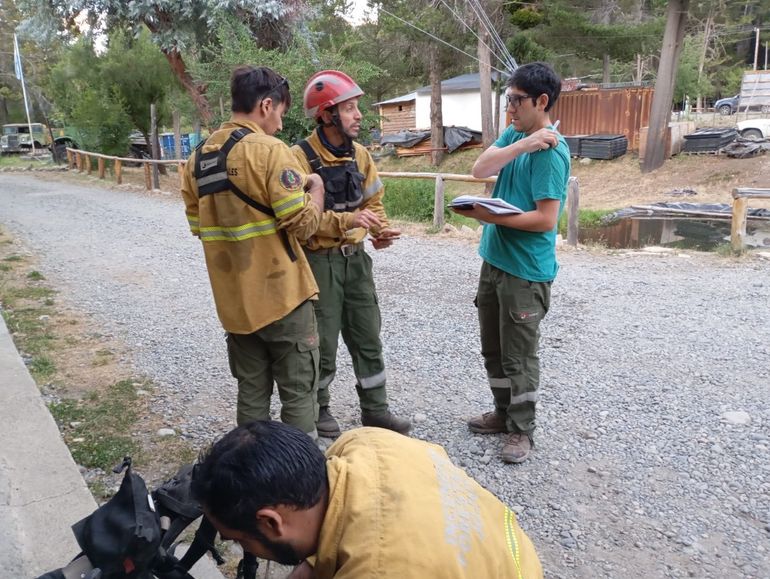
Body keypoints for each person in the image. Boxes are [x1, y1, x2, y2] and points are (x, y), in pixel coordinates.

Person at [192, 420, 543, 578]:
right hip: (504, 555)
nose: (243, 550)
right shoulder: (365, 442)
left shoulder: (380, 570)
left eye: (238, 540)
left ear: (270, 521)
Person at [181, 65, 326, 438]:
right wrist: (316, 189)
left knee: (251, 395)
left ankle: (252, 477)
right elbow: (305, 226)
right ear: (265, 105)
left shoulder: (195, 161)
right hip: (283, 300)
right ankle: (301, 478)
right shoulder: (269, 151)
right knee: (298, 394)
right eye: (279, 112)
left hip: (236, 307)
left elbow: (200, 229)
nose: (279, 124)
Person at [452, 62, 570, 463]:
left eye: (516, 101)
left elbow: (546, 221)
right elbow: (479, 168)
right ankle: (502, 415)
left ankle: (522, 430)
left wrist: (490, 216)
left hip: (525, 271)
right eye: (507, 100)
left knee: (520, 356)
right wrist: (520, 144)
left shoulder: (552, 155)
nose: (510, 109)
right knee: (495, 351)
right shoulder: (517, 133)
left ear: (542, 101)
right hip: (495, 262)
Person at [290, 70, 410, 437]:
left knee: (367, 335)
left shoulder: (360, 155)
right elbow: (299, 220)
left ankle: (376, 410)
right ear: (326, 115)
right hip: (319, 263)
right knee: (321, 340)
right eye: (350, 108)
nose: (359, 115)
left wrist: (380, 230)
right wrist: (347, 221)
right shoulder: (299, 158)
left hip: (356, 260)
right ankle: (319, 409)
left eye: (358, 108)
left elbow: (374, 200)